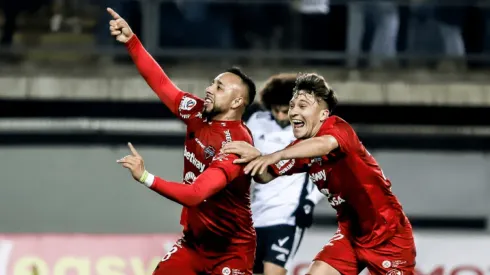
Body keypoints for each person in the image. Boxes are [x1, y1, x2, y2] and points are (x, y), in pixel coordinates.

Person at [108, 7, 258, 275]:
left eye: (219, 87)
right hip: (194, 244)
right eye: (212, 83)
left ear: (237, 102)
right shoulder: (198, 111)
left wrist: (145, 177)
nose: (209, 89)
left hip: (230, 251)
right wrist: (132, 41)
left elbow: (195, 194)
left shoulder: (235, 143)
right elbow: (162, 84)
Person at [222, 73, 416, 275]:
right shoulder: (300, 149)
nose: (293, 112)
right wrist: (252, 160)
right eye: (292, 106)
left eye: (303, 106)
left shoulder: (337, 128)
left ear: (323, 114)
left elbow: (324, 144)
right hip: (351, 234)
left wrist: (275, 154)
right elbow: (266, 177)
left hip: (388, 235)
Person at [245, 73, 324, 275]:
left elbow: (324, 170)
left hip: (286, 216)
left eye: (285, 111)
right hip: (254, 215)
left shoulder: (309, 131)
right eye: (276, 111)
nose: (281, 116)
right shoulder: (256, 121)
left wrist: (309, 203)